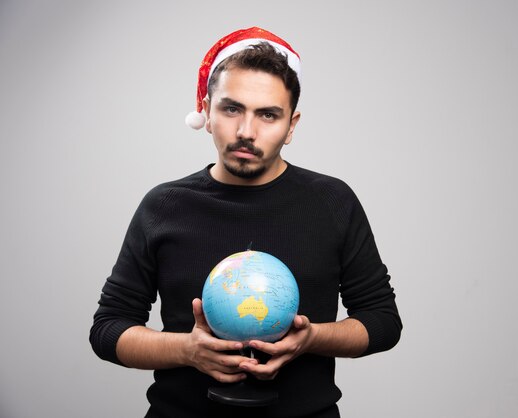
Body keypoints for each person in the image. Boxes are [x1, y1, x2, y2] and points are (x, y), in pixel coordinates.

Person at [90, 27, 402, 418]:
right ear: (205, 111)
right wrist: (186, 350)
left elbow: (383, 321)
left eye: (268, 115)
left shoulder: (332, 202)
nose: (246, 132)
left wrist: (311, 339)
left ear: (292, 125)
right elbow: (107, 330)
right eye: (231, 108)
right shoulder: (164, 206)